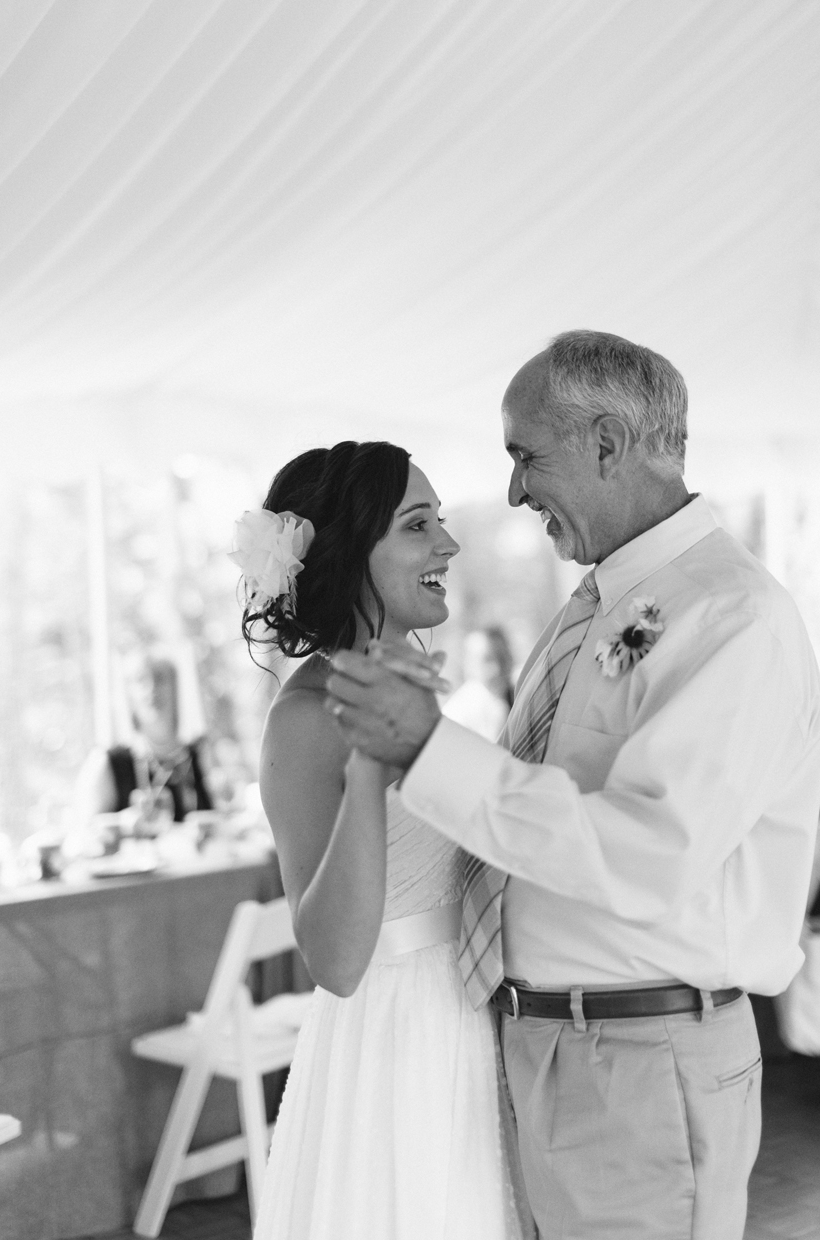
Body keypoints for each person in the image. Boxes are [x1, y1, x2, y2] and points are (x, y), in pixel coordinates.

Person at [326, 331, 820, 1240]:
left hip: (640, 1061)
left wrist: (432, 754)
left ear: (605, 442)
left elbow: (648, 852)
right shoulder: (603, 599)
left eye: (526, 455)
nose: (514, 491)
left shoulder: (733, 615)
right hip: (555, 1048)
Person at [234, 441, 531, 1240]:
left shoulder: (420, 683)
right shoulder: (303, 720)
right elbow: (333, 960)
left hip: (477, 1021)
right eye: (417, 524)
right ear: (350, 553)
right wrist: (369, 766)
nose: (449, 543)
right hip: (398, 1045)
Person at [76, 652, 212, 826]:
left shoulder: (200, 756)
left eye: (160, 678)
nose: (152, 688)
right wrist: (123, 822)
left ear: (177, 687)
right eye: (141, 680)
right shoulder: (108, 762)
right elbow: (84, 829)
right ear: (127, 693)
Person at [442, 626, 515, 741]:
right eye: (487, 660)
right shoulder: (457, 717)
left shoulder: (519, 692)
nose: (497, 668)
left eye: (502, 657)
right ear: (468, 665)